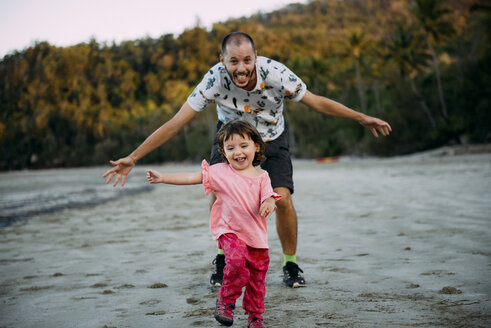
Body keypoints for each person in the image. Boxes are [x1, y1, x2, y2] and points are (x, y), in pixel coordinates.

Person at [103, 31, 392, 289]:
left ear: (255, 57)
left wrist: (360, 117)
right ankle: (224, 258)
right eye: (233, 61)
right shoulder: (214, 79)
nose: (240, 68)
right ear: (222, 60)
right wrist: (133, 157)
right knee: (218, 191)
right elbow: (177, 122)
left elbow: (315, 101)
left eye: (246, 60)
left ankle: (290, 264)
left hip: (271, 139)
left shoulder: (277, 73)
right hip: (230, 141)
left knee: (283, 199)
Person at [146, 120, 281, 328]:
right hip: (230, 231)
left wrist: (270, 202)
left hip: (257, 237)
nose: (238, 152)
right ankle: (226, 302)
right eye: (231, 148)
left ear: (256, 146)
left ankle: (255, 317)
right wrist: (163, 177)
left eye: (243, 146)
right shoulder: (219, 172)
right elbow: (193, 177)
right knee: (236, 263)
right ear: (223, 152)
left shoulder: (263, 176)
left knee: (256, 280)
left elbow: (269, 196)